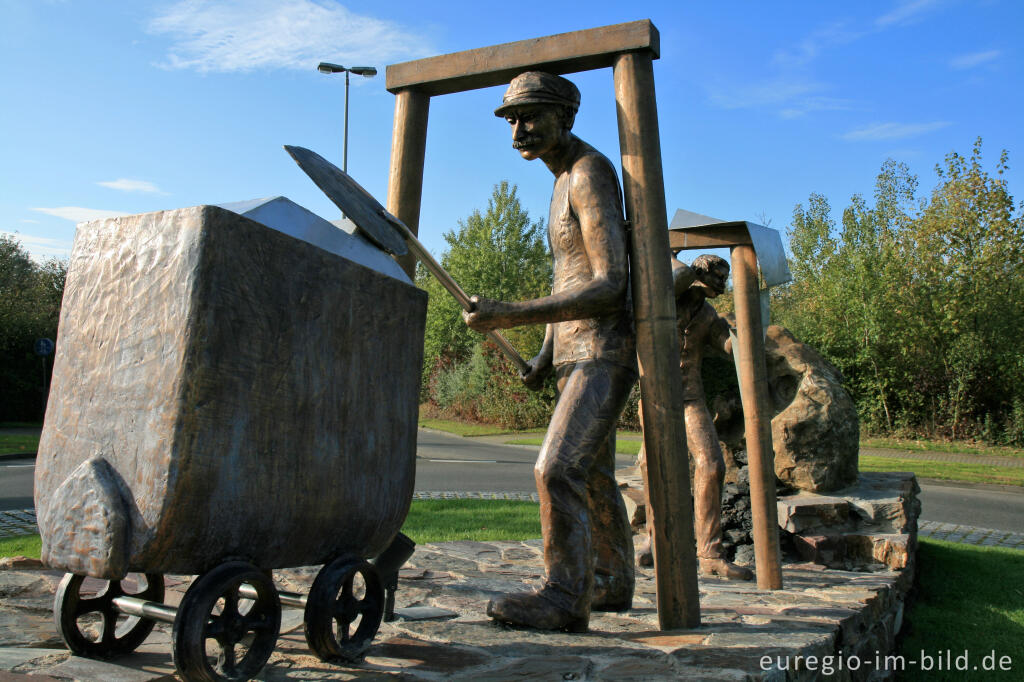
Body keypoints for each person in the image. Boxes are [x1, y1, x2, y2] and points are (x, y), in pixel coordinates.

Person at [462, 71, 637, 631]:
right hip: (571, 351)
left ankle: (564, 596)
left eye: (531, 116)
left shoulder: (588, 174)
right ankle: (608, 580)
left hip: (601, 350)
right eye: (512, 119)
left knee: (555, 469)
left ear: (566, 116)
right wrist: (542, 349)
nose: (518, 129)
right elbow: (569, 275)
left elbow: (611, 284)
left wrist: (510, 313)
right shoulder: (560, 180)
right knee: (593, 476)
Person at [637, 253, 754, 580]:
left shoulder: (708, 314)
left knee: (713, 464)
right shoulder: (663, 300)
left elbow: (726, 344)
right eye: (718, 276)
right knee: (650, 463)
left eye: (725, 278)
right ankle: (653, 539)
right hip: (656, 394)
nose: (723, 283)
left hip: (690, 397)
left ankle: (710, 553)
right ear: (700, 274)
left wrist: (744, 334)